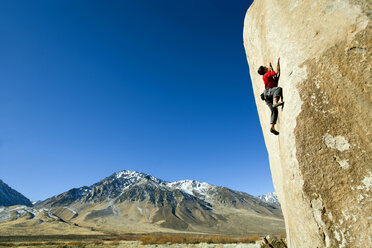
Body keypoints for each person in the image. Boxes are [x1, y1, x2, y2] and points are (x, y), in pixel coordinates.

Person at [257, 58, 284, 135]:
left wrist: (269, 66)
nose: (266, 67)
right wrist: (277, 63)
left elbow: (269, 70)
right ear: (264, 70)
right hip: (268, 92)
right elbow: (276, 72)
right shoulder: (266, 75)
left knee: (274, 110)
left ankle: (272, 127)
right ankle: (275, 102)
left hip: (266, 97)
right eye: (265, 67)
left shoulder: (265, 75)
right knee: (278, 89)